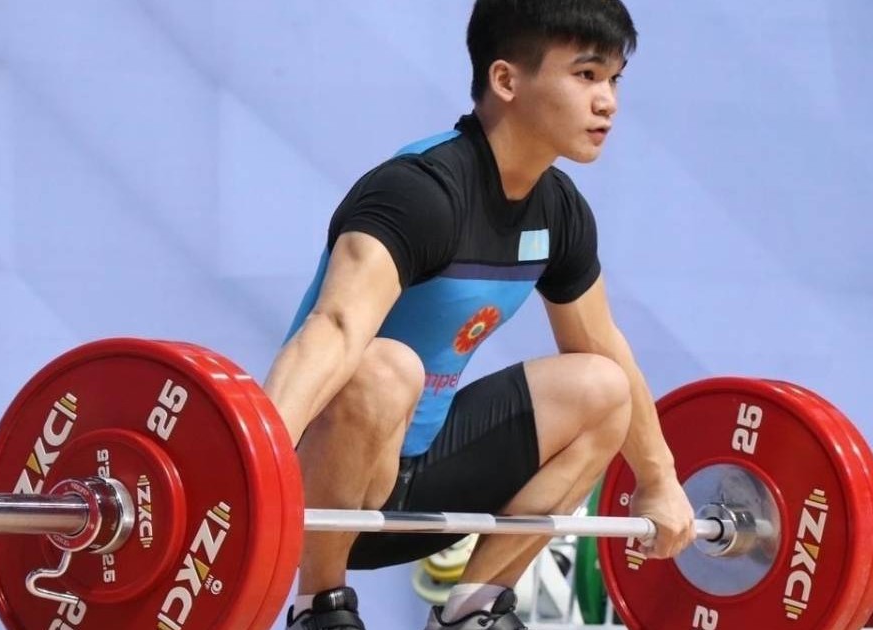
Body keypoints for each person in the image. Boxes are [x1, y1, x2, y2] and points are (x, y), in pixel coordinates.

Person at [263, 1, 696, 628]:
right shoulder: (421, 192)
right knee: (385, 365)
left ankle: (474, 608)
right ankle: (320, 604)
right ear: (506, 80)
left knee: (603, 386)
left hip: (429, 483)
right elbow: (334, 328)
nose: (607, 101)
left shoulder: (558, 211)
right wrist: (254, 468)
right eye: (585, 75)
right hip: (322, 497)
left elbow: (603, 344)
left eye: (613, 79)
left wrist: (660, 481)